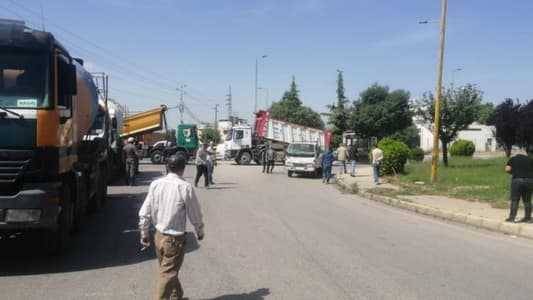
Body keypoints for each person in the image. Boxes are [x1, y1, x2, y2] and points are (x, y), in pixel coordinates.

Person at [138, 155, 205, 300]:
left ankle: (177, 296)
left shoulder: (156, 184)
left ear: (167, 167)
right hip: (174, 240)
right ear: (183, 168)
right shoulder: (184, 187)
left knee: (168, 270)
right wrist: (199, 230)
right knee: (168, 273)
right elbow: (195, 213)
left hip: (158, 236)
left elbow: (145, 211)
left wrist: (144, 233)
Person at [505, 150, 533, 223]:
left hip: (517, 180)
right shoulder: (530, 159)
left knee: (515, 200)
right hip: (529, 181)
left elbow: (507, 169)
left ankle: (512, 218)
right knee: (527, 200)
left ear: (516, 154)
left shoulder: (513, 159)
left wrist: (513, 172)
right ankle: (528, 218)